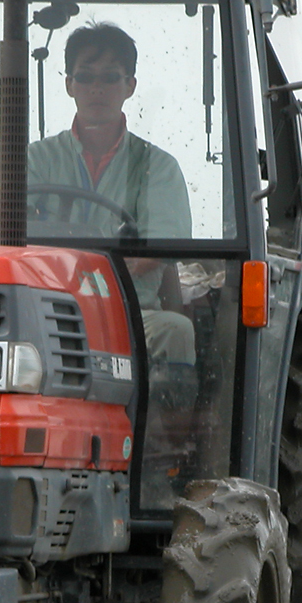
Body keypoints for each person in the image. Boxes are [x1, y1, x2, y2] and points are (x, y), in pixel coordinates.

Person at [28, 22, 196, 404]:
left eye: (110, 78)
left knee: (176, 330)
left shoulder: (158, 167)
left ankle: (167, 443)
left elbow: (163, 245)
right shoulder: (35, 159)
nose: (97, 88)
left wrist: (102, 271)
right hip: (45, 311)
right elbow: (3, 222)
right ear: (69, 84)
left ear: (130, 86)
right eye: (85, 77)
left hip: (131, 312)